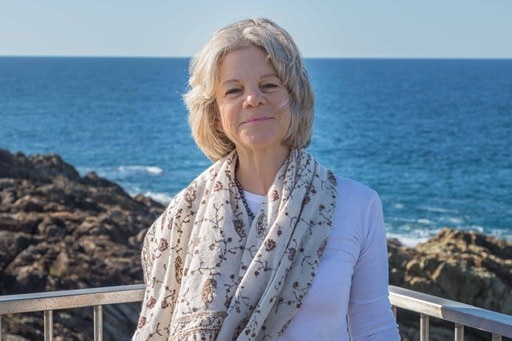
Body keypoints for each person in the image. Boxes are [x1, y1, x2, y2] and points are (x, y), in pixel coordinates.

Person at [133, 18, 400, 340]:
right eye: (234, 90)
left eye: (270, 85)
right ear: (215, 116)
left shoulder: (357, 203)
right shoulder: (183, 217)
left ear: (295, 98)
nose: (253, 99)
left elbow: (374, 326)